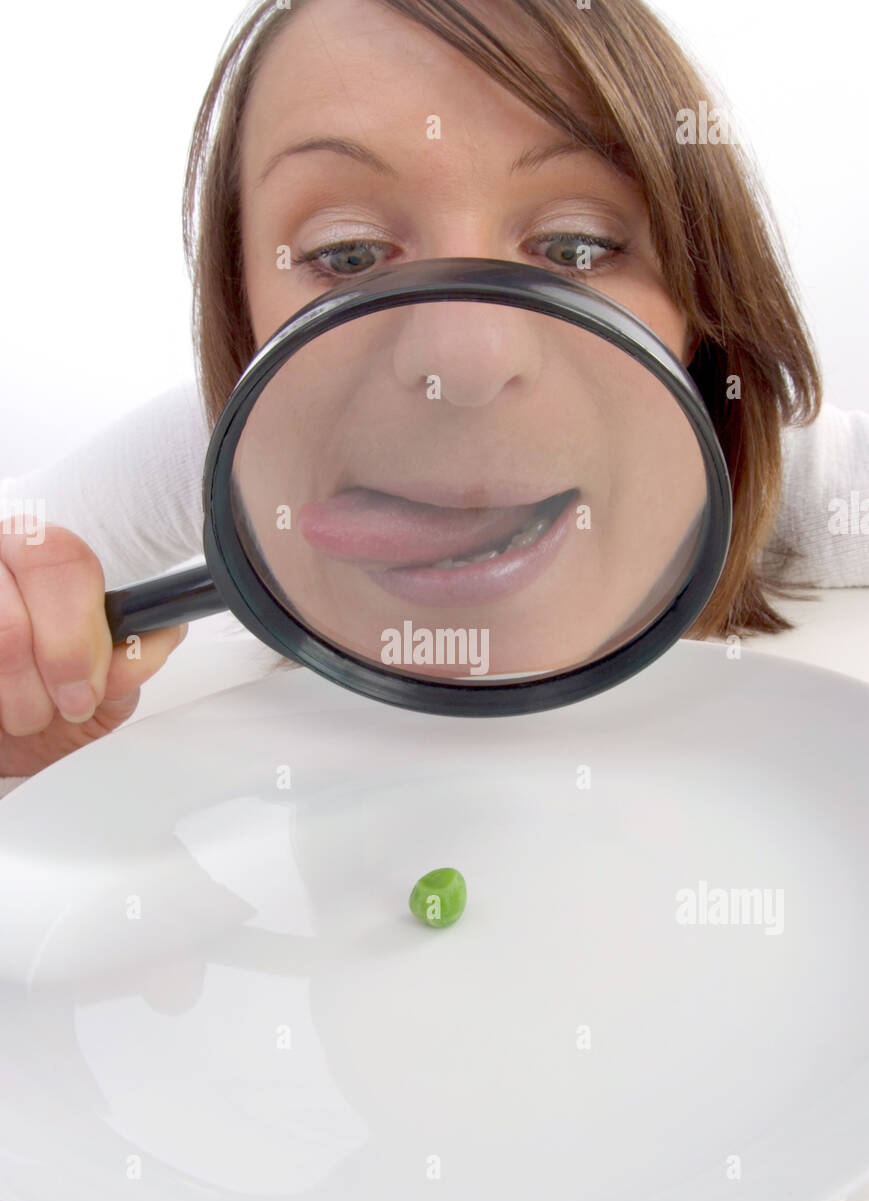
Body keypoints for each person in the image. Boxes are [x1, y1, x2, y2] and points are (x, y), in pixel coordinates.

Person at [0, 0, 866, 786]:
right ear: (244, 317)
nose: (463, 356)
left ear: (698, 319)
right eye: (346, 254)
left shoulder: (765, 470)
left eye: (573, 247)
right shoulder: (238, 452)